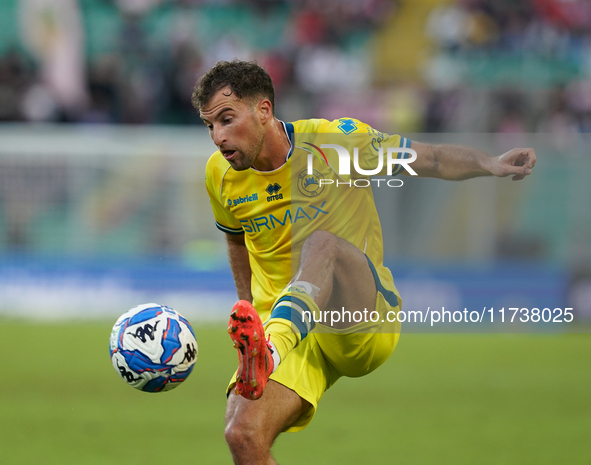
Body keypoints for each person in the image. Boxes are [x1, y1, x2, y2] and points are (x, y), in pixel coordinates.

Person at [192, 60, 536, 464]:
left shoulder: (336, 144)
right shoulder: (219, 175)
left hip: (359, 318)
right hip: (290, 331)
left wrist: (489, 164)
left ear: (264, 110)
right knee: (242, 435)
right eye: (209, 125)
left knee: (324, 245)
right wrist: (247, 307)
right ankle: (269, 346)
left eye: (226, 119)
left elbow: (433, 160)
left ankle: (270, 349)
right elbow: (236, 241)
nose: (217, 137)